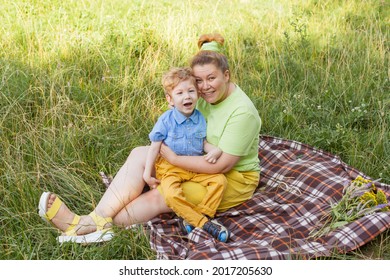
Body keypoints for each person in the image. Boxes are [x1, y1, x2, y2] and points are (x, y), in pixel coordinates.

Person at [38, 33, 261, 244]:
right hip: (195, 156)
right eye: (199, 81)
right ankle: (95, 219)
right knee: (140, 153)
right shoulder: (202, 91)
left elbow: (221, 166)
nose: (204, 87)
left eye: (211, 78)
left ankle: (96, 228)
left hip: (230, 178)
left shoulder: (243, 112)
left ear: (227, 75)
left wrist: (172, 159)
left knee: (161, 195)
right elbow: (205, 63)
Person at [143, 66, 229, 242]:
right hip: (171, 168)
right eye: (180, 93)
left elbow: (203, 143)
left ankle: (198, 214)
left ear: (197, 94)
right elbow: (154, 147)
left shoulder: (200, 118)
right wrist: (147, 173)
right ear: (170, 99)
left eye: (191, 91)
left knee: (220, 181)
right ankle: (204, 223)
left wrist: (216, 150)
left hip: (193, 164)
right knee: (171, 194)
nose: (187, 96)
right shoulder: (166, 120)